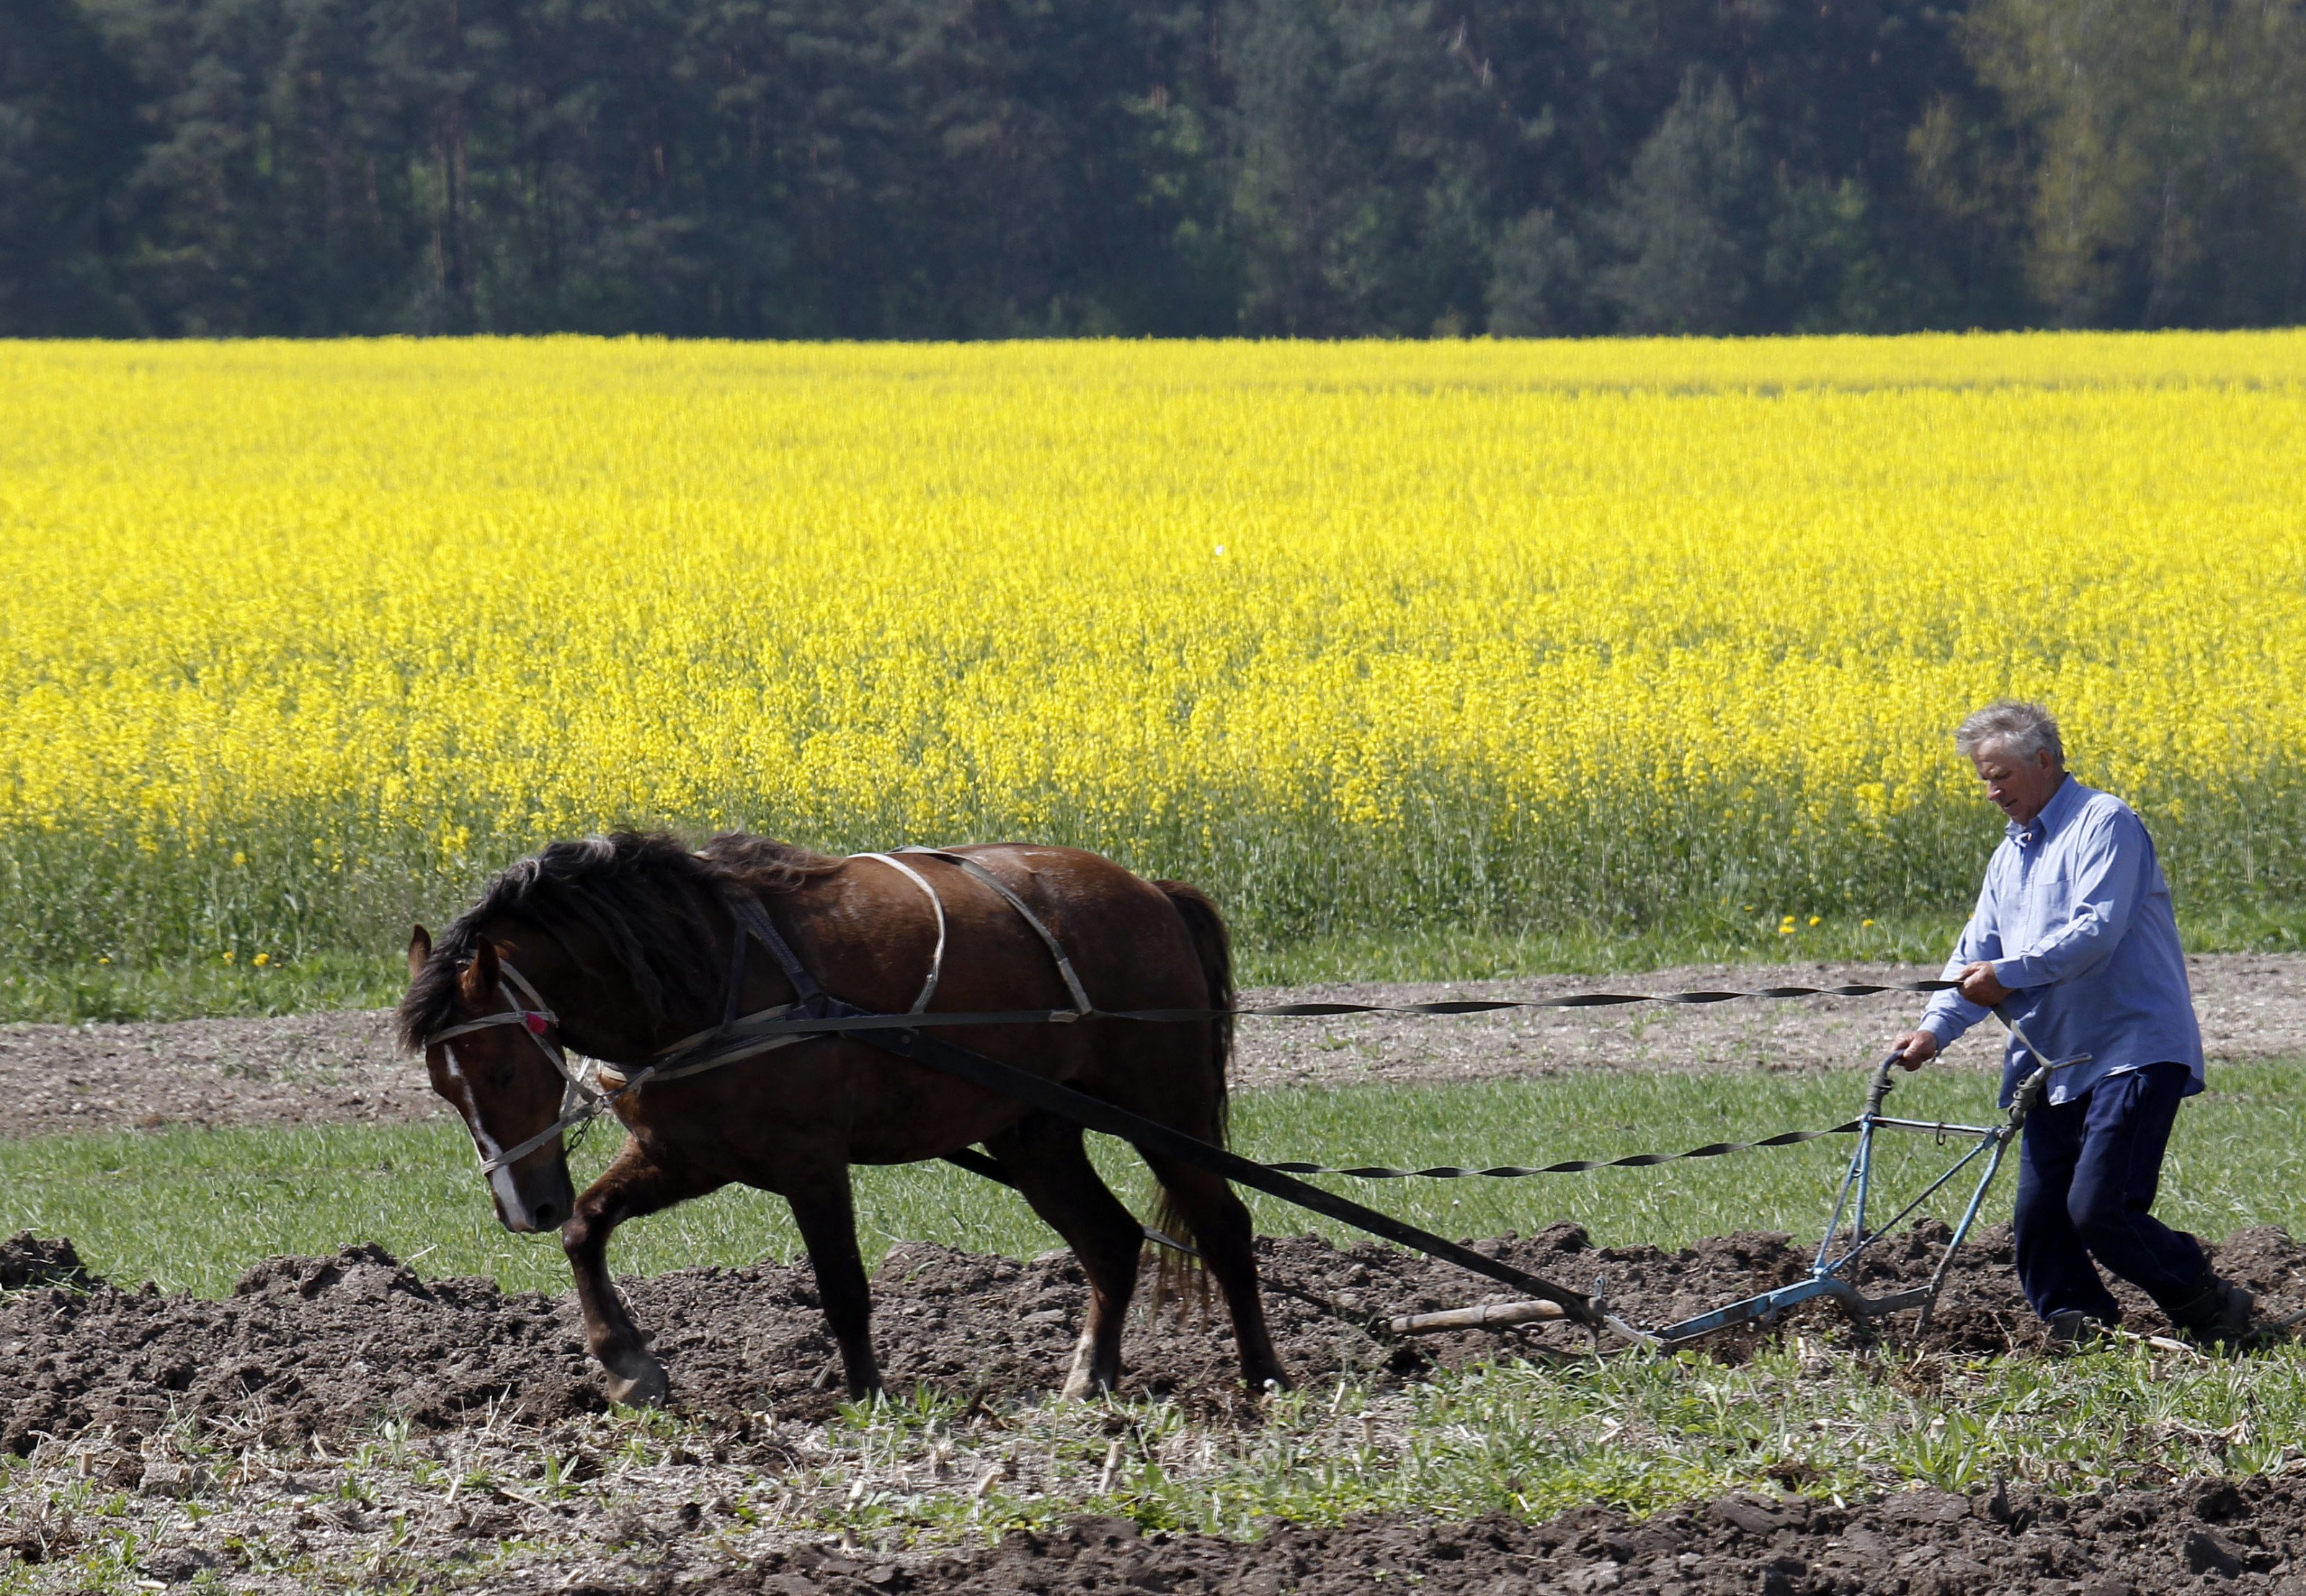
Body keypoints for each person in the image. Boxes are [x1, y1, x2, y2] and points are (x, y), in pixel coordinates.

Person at [1889, 700, 2253, 1347]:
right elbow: (1976, 955)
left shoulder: (2104, 823)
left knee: (2100, 1209)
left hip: (2131, 1050)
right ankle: (2081, 1328)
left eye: (2000, 776)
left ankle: (2209, 1300)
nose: (1992, 792)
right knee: (2040, 1221)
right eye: (1984, 780)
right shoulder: (2009, 857)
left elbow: (2094, 933)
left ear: (2045, 761)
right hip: (2053, 1062)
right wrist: (1933, 1029)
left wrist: (2008, 974)